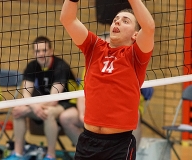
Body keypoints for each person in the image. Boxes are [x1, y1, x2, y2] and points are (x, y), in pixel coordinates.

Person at [60, 0, 155, 159]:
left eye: (126, 21)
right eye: (116, 19)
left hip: (118, 145)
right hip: (88, 141)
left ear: (135, 35)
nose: (117, 21)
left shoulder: (136, 56)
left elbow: (149, 27)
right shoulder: (94, 47)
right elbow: (67, 19)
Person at [5, 36, 77, 160]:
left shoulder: (60, 67)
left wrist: (29, 109)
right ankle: (18, 154)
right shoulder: (32, 66)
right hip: (42, 104)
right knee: (18, 110)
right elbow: (26, 94)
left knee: (47, 113)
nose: (41, 54)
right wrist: (33, 106)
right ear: (34, 53)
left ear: (51, 51)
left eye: (44, 50)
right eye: (38, 51)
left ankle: (50, 155)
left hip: (67, 103)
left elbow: (54, 100)